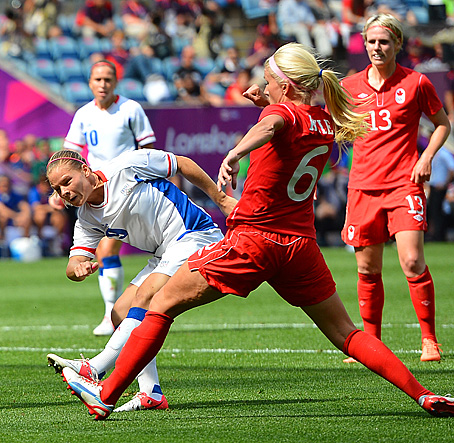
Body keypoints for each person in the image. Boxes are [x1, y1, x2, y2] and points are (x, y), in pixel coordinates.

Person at [59, 42, 454, 420]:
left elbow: (274, 126)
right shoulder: (324, 122)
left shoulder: (278, 117)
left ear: (286, 85)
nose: (262, 87)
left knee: (158, 307)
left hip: (254, 241)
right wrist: (269, 106)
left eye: (268, 81)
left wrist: (235, 152)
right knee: (346, 333)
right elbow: (291, 126)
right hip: (300, 246)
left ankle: (105, 394)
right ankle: (422, 393)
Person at [45, 148, 235, 412]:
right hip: (164, 253)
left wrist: (222, 200)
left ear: (85, 171)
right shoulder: (86, 217)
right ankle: (151, 392)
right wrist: (77, 269)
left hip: (194, 236)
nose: (63, 192)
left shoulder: (126, 166)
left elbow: (183, 164)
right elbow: (73, 263)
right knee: (120, 313)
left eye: (67, 181)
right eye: (57, 188)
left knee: (145, 297)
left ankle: (95, 367)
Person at [340, 14, 451, 363]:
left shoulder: (417, 83)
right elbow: (323, 121)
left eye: (384, 42)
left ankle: (429, 339)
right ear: (365, 43)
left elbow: (441, 124)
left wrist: (426, 157)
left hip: (404, 183)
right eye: (371, 42)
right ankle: (370, 344)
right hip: (362, 187)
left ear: (398, 45)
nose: (377, 48)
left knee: (413, 260)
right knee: (368, 269)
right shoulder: (349, 87)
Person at [61, 59, 157, 336]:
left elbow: (148, 148)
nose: (102, 84)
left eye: (107, 79)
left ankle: (111, 314)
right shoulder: (83, 115)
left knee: (105, 251)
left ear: (115, 82)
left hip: (126, 187)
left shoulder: (130, 109)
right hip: (96, 192)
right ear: (90, 82)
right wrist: (61, 189)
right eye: (97, 79)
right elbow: (70, 155)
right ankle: (115, 313)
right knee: (105, 253)